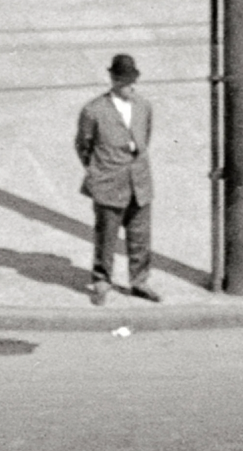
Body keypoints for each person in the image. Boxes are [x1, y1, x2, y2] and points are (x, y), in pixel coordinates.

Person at [75, 53, 160, 306]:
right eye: (123, 81)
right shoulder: (93, 111)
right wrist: (100, 170)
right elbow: (83, 145)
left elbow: (145, 137)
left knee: (140, 236)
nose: (128, 85)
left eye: (131, 80)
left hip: (139, 182)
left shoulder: (143, 106)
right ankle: (101, 281)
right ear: (112, 79)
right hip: (109, 183)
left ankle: (139, 282)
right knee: (106, 237)